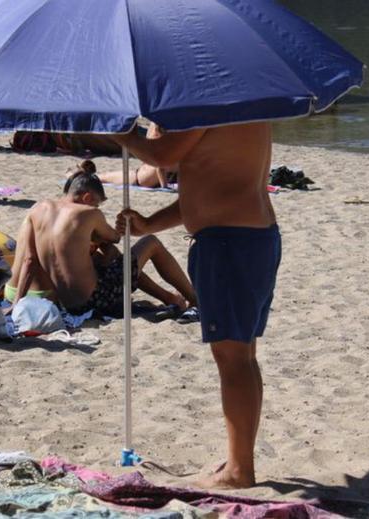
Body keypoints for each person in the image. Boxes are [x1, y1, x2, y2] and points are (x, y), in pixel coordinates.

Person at [112, 121, 279, 489]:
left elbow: (162, 156)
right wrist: (149, 224)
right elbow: (209, 186)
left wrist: (118, 130)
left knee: (234, 357)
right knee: (242, 356)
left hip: (229, 242)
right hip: (246, 237)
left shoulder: (211, 101)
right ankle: (239, 461)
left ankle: (239, 471)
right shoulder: (239, 98)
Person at [7, 165, 198, 318]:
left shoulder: (38, 208)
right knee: (150, 243)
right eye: (96, 203)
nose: (97, 207)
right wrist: (115, 229)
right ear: (87, 197)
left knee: (120, 263)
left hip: (65, 302)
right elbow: (114, 237)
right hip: (92, 300)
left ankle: (170, 298)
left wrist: (17, 303)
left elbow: (29, 261)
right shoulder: (89, 213)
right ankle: (195, 300)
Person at [96, 124, 179, 189]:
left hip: (142, 176)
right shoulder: (165, 146)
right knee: (102, 178)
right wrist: (164, 187)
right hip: (139, 178)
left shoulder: (163, 145)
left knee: (104, 177)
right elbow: (160, 167)